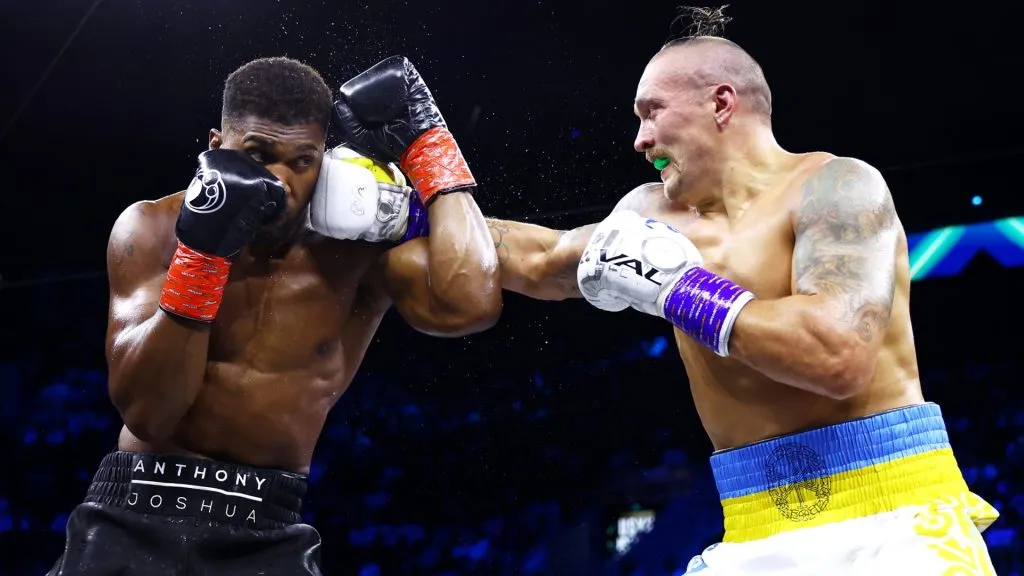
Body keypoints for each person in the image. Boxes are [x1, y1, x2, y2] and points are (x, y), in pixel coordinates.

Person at [391, 6, 999, 574]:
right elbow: (540, 256)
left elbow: (836, 356)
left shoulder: (837, 187)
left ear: (722, 103)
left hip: (895, 517)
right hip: (754, 527)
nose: (639, 139)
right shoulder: (650, 215)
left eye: (651, 111)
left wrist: (679, 288)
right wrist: (408, 200)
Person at [48, 55, 501, 575]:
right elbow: (149, 414)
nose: (283, 181)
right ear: (216, 147)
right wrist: (204, 254)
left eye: (302, 162)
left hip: (265, 530)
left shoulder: (354, 249)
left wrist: (430, 145)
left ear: (324, 161)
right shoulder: (152, 228)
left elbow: (472, 304)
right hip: (135, 507)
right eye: (259, 154)